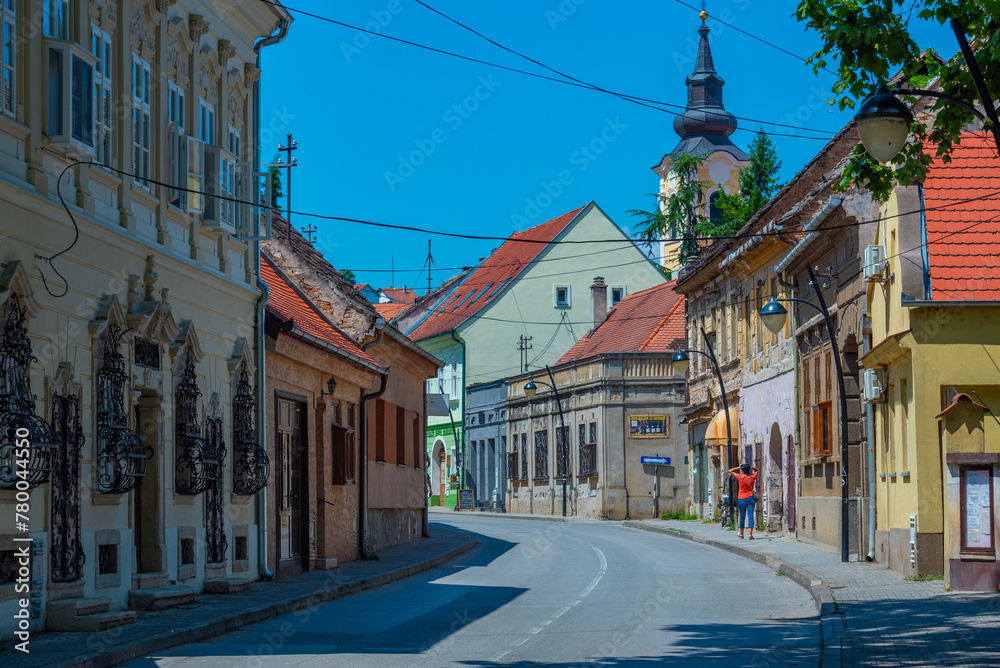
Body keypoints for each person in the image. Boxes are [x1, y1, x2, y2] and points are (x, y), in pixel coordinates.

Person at [728, 463, 759, 540]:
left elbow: (730, 471)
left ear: (743, 470)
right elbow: (757, 470)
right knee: (750, 516)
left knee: (742, 516)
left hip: (741, 498)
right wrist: (751, 467)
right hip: (750, 498)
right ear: (749, 470)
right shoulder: (752, 477)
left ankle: (741, 534)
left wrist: (739, 467)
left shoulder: (740, 477)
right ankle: (750, 535)